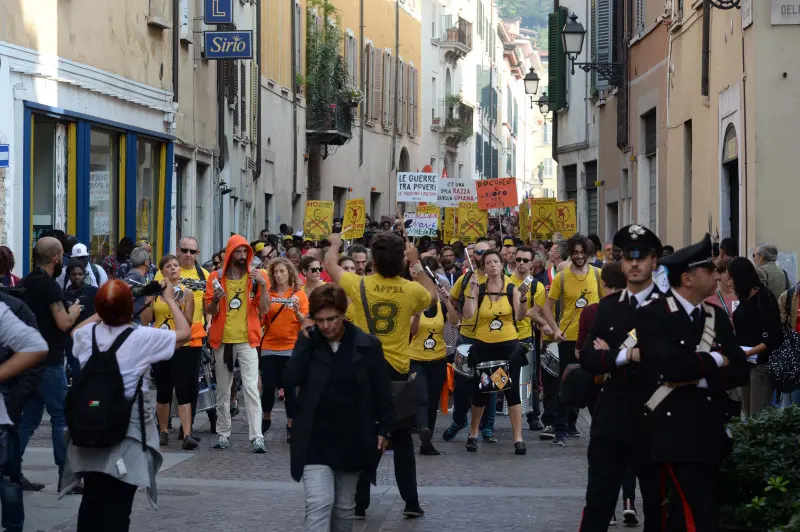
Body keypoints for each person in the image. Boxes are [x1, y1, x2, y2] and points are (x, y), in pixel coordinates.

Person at [637, 234, 749, 532]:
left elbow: (739, 369)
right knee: (690, 514)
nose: (718, 276)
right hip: (670, 432)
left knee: (689, 512)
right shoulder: (653, 315)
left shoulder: (716, 316)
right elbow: (670, 368)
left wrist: (699, 374)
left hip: (709, 429)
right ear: (687, 278)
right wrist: (716, 360)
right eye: (709, 270)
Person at [61, 279, 190, 531]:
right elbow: (185, 334)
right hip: (126, 432)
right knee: (119, 507)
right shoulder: (141, 337)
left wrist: (105, 308)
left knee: (91, 501)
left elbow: (75, 332)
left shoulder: (87, 335)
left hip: (89, 428)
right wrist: (170, 300)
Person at [324, 230, 436, 520]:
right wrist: (417, 263)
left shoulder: (359, 284)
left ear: (372, 260)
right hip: (397, 371)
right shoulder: (411, 290)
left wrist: (336, 243)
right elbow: (432, 296)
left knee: (363, 435)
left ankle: (359, 503)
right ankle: (411, 502)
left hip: (363, 369)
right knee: (401, 438)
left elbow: (330, 264)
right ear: (401, 261)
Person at [286, 284, 393, 532]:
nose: (326, 326)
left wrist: (384, 429)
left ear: (343, 314)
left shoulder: (367, 345)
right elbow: (290, 378)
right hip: (314, 438)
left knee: (344, 508)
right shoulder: (310, 342)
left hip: (351, 438)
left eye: (331, 319)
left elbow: (382, 391)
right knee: (318, 503)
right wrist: (304, 343)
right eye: (320, 320)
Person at [578, 225, 664, 531]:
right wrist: (626, 355)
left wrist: (611, 355)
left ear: (654, 261)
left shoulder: (668, 307)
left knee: (657, 505)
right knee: (598, 502)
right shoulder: (608, 307)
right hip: (612, 418)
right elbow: (588, 358)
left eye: (642, 257)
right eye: (628, 258)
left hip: (655, 417)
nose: (634, 264)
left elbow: (665, 361)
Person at [17, 237, 82, 491]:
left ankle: (10, 469)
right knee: (60, 417)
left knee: (29, 419)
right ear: (56, 257)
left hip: (27, 360)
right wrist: (74, 311)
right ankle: (66, 476)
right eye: (62, 255)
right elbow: (64, 323)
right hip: (50, 361)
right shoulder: (50, 287)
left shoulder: (26, 282)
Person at [204, 235, 271, 452]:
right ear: (230, 254)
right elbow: (210, 311)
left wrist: (264, 286)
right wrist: (216, 298)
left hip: (248, 340)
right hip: (223, 341)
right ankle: (223, 434)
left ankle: (257, 436)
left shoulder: (258, 276)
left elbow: (264, 309)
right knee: (223, 391)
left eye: (245, 252)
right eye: (238, 252)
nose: (242, 256)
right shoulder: (215, 277)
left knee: (251, 388)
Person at [460, 250, 527, 454]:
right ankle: (473, 433)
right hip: (485, 347)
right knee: (482, 390)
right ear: (484, 267)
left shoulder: (512, 289)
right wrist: (471, 290)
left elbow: (521, 316)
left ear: (502, 264)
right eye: (488, 262)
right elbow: (468, 314)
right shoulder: (479, 289)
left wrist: (524, 300)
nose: (492, 265)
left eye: (495, 261)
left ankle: (518, 438)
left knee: (511, 392)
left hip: (508, 348)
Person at [542, 233, 604, 446]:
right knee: (566, 383)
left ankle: (596, 430)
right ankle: (561, 430)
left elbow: (606, 304)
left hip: (592, 339)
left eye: (582, 252)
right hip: (568, 339)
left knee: (595, 385)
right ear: (570, 253)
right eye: (575, 252)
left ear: (588, 253)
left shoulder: (597, 274)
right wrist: (555, 329)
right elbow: (547, 308)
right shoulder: (562, 277)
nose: (579, 256)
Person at [441, 241, 500, 444]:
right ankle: (459, 421)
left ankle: (487, 427)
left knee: (490, 384)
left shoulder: (501, 280)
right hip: (466, 338)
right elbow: (453, 300)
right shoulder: (466, 277)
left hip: (491, 339)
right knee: (462, 384)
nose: (479, 255)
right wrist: (454, 311)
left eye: (483, 252)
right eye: (476, 252)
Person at [0, 293, 48, 532]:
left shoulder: (11, 307)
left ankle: (13, 526)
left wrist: (15, 396)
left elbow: (36, 348)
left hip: (6, 404)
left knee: (8, 476)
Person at [140, 255, 198, 450]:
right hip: (161, 346)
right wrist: (149, 299)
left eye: (175, 265)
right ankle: (163, 430)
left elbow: (188, 322)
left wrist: (177, 305)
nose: (173, 268)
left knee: (183, 389)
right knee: (163, 390)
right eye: (168, 266)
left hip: (182, 346)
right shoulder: (156, 293)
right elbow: (145, 319)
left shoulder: (187, 292)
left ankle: (187, 433)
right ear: (162, 271)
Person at [260, 257, 310, 444]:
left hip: (290, 346)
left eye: (282, 271)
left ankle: (291, 424)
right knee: (268, 386)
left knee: (289, 388)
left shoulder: (299, 294)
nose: (279, 275)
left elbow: (305, 322)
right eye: (275, 272)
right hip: (269, 345)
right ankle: (266, 418)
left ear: (290, 273)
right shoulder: (269, 293)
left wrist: (297, 312)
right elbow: (262, 318)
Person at [409, 270, 458, 456]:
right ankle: (423, 429)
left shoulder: (440, 305)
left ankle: (426, 440)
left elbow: (455, 322)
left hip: (437, 358)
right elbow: (412, 331)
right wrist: (417, 315)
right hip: (415, 358)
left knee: (433, 399)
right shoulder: (413, 303)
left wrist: (448, 302)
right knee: (421, 396)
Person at [728, 256, 783, 417]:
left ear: (741, 277)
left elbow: (774, 336)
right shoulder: (743, 298)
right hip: (744, 363)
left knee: (758, 416)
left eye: (731, 278)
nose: (729, 282)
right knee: (747, 414)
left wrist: (749, 352)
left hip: (760, 365)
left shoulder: (765, 298)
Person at [507, 246, 548, 431]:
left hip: (526, 337)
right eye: (518, 260)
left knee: (530, 378)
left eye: (525, 260)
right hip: (506, 335)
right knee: (504, 377)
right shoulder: (506, 281)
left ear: (532, 263)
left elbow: (534, 311)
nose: (521, 263)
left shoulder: (535, 285)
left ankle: (533, 416)